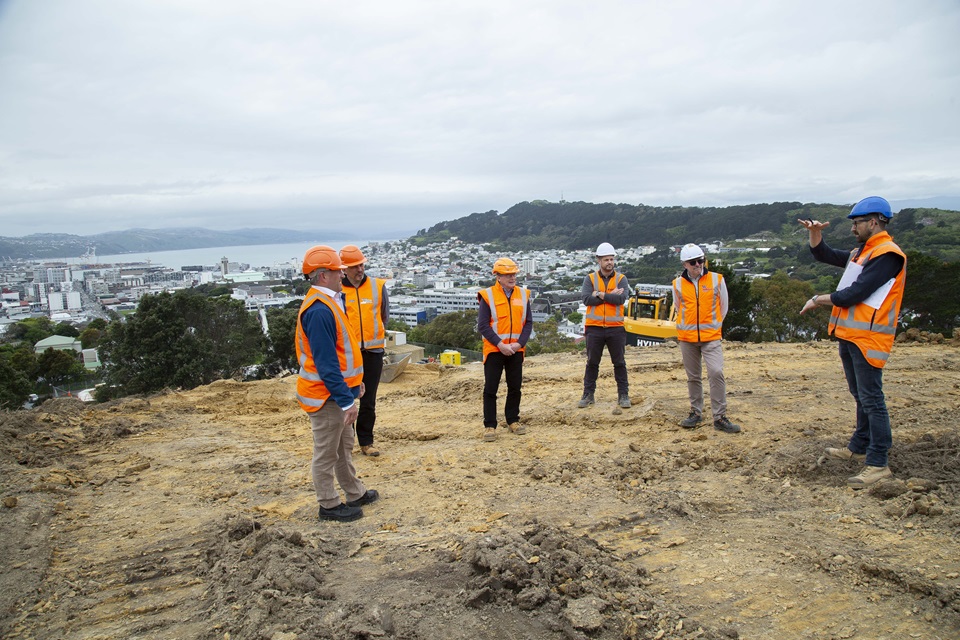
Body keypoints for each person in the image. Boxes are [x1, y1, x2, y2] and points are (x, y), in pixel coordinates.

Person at [799, 196, 907, 488]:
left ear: (874, 222)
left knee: (872, 399)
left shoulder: (887, 255)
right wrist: (815, 234)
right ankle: (859, 447)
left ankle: (878, 462)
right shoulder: (864, 251)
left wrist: (817, 299)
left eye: (857, 223)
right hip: (850, 335)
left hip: (869, 338)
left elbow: (855, 293)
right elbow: (826, 255)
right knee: (860, 396)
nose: (853, 228)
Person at [296, 245, 379, 522]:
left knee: (343, 447)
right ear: (322, 276)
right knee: (327, 452)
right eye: (337, 271)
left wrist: (355, 386)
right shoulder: (319, 310)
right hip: (325, 397)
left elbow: (342, 355)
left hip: (336, 392)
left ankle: (354, 492)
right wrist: (345, 399)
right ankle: (329, 505)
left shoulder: (330, 301)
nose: (342, 275)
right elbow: (326, 363)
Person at [673, 243, 741, 434]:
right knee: (693, 377)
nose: (698, 265)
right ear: (685, 264)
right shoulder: (677, 284)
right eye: (693, 262)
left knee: (716, 372)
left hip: (711, 336)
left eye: (701, 260)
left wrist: (714, 326)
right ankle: (696, 412)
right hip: (687, 337)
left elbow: (723, 307)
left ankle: (720, 416)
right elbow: (679, 307)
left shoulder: (717, 280)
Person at [339, 244, 390, 457]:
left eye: (361, 265)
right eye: (353, 267)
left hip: (373, 352)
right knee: (347, 399)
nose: (359, 270)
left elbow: (384, 315)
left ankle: (366, 441)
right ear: (343, 269)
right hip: (348, 355)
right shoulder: (338, 290)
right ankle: (347, 444)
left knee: (368, 399)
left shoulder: (378, 286)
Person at [477, 258, 533, 442]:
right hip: (495, 350)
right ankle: (490, 426)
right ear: (498, 276)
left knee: (515, 387)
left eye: (514, 274)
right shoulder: (488, 295)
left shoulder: (524, 295)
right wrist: (500, 344)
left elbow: (528, 323)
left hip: (516, 350)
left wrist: (519, 344)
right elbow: (483, 326)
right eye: (508, 275)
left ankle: (513, 420)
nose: (512, 277)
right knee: (490, 389)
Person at [579, 242, 631, 409]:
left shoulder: (621, 279)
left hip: (615, 327)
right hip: (594, 328)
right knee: (592, 362)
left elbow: (621, 299)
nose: (610, 262)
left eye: (611, 259)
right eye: (606, 259)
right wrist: (609, 295)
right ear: (599, 261)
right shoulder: (590, 278)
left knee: (619, 363)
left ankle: (623, 395)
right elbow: (587, 299)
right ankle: (588, 394)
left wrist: (600, 294)